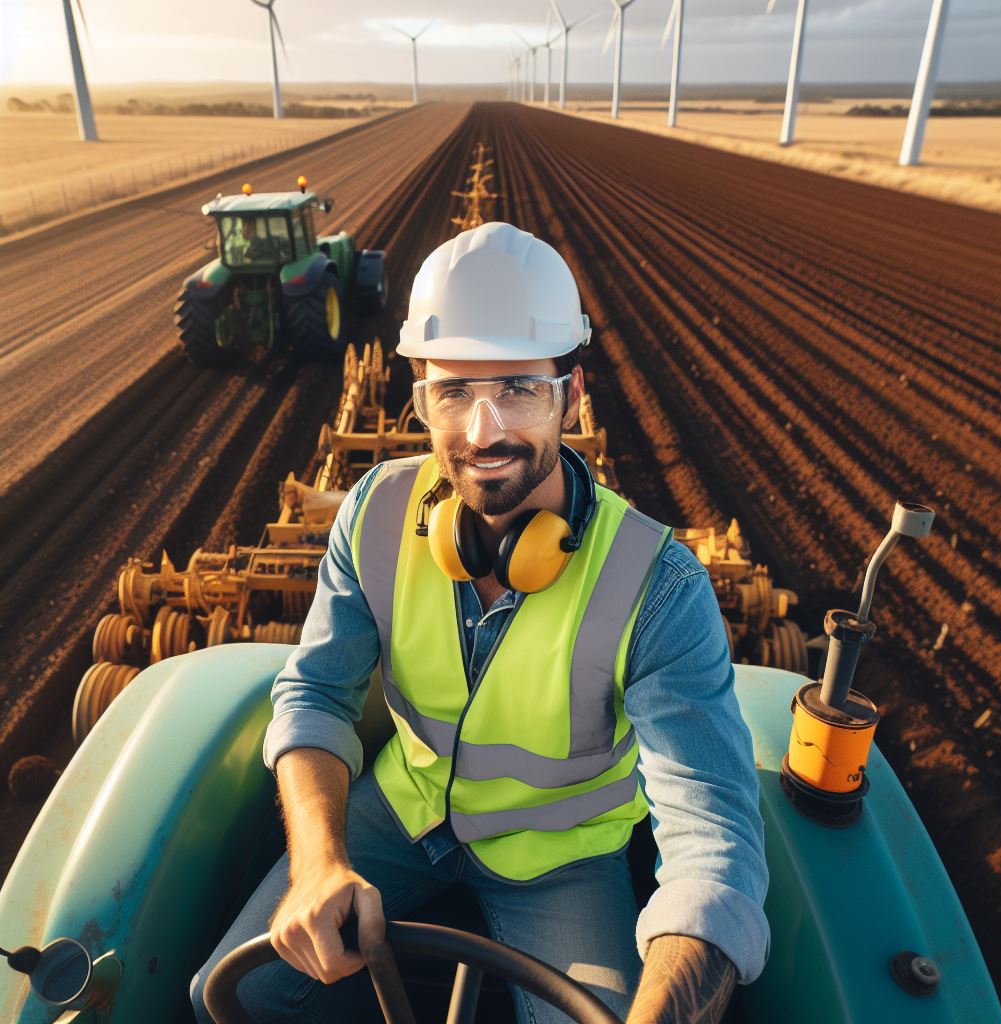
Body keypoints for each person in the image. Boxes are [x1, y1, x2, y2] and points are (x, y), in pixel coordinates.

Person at [191, 222, 769, 1024]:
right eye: (453, 391)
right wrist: (319, 865)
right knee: (236, 991)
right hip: (403, 810)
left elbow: (713, 838)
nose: (482, 431)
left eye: (519, 389)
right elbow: (315, 694)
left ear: (570, 394)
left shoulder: (657, 584)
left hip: (563, 856)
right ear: (420, 394)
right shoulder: (375, 515)